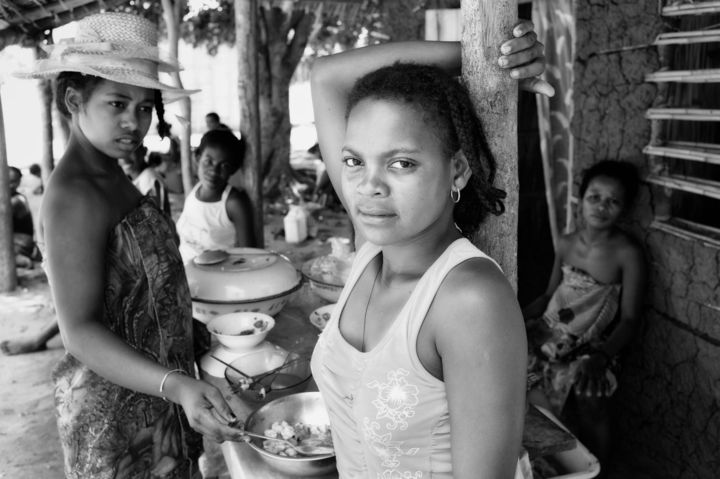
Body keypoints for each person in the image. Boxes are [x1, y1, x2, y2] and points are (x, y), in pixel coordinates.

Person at [307, 22, 550, 478]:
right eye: (355, 161)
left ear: (458, 170)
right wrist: (476, 55)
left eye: (402, 163)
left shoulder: (468, 299)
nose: (369, 186)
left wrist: (494, 63)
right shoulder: (370, 247)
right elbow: (326, 75)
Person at [11, 13, 244, 477]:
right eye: (117, 103)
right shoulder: (74, 196)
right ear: (75, 100)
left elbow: (146, 298)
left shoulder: (110, 176)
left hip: (159, 399)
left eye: (143, 107)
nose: (133, 122)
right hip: (118, 424)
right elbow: (77, 331)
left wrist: (208, 354)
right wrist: (175, 384)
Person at [522, 160, 646, 465]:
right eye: (595, 197)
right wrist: (517, 320)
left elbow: (630, 320)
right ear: (581, 198)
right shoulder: (566, 242)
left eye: (613, 201)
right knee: (519, 378)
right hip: (551, 334)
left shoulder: (627, 253)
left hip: (595, 346)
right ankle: (547, 461)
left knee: (592, 396)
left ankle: (598, 467)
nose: (601, 207)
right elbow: (549, 295)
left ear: (625, 210)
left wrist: (600, 357)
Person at [175, 129, 256, 263]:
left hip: (217, 277)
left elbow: (248, 254)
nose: (214, 171)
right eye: (209, 161)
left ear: (233, 170)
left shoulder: (233, 203)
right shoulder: (195, 191)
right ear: (197, 158)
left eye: (224, 165)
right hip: (185, 272)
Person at [119, 144, 171, 215]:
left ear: (143, 151)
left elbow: (155, 220)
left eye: (130, 151)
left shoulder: (149, 179)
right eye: (119, 154)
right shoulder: (138, 179)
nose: (124, 159)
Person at [8, 166, 41, 268]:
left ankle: (21, 260)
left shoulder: (17, 200)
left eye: (13, 181)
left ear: (18, 182)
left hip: (20, 242)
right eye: (7, 181)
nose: (10, 185)